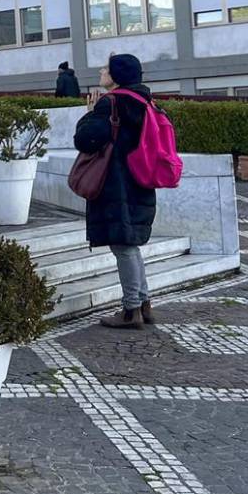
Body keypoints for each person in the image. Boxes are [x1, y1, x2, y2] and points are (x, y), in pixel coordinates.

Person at [73, 53, 157, 330]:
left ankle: (131, 309)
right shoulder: (145, 100)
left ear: (117, 75)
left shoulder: (111, 103)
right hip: (140, 179)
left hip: (115, 183)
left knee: (123, 247)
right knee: (130, 245)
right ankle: (143, 305)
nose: (101, 71)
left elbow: (86, 140)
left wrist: (89, 115)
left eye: (106, 69)